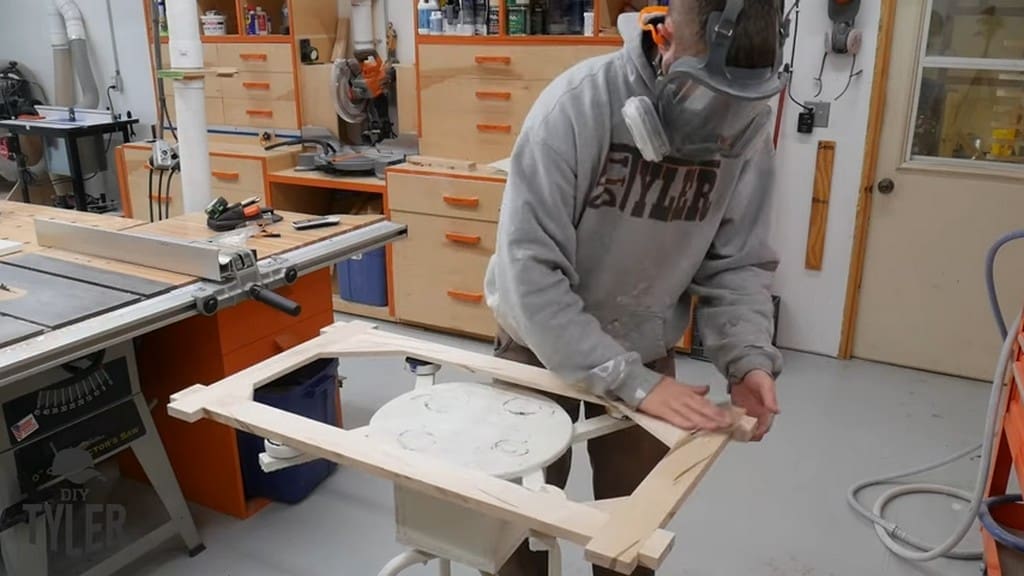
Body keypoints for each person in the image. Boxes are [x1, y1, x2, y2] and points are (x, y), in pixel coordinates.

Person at [484, 0, 788, 574]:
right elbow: (531, 273)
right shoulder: (576, 107)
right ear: (663, 37)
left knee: (632, 537)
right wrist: (632, 383)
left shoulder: (743, 132)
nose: (722, 119)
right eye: (706, 95)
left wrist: (747, 358)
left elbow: (737, 263)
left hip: (642, 344)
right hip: (538, 343)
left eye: (741, 100)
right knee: (515, 533)